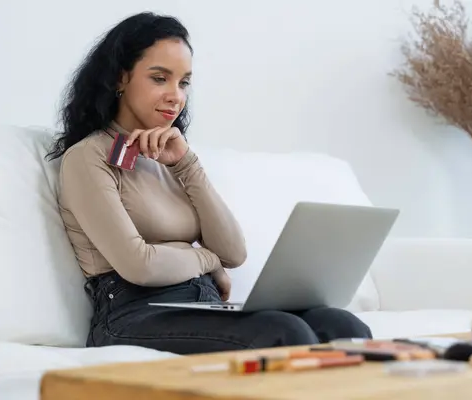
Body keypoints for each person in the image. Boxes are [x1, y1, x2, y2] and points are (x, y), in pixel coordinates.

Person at [47, 12, 372, 355]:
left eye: (184, 82)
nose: (176, 96)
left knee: (342, 325)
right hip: (130, 313)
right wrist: (207, 260)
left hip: (201, 302)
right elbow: (138, 264)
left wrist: (187, 165)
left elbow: (233, 252)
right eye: (160, 78)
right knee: (282, 333)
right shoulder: (88, 157)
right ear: (120, 78)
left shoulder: (172, 157)